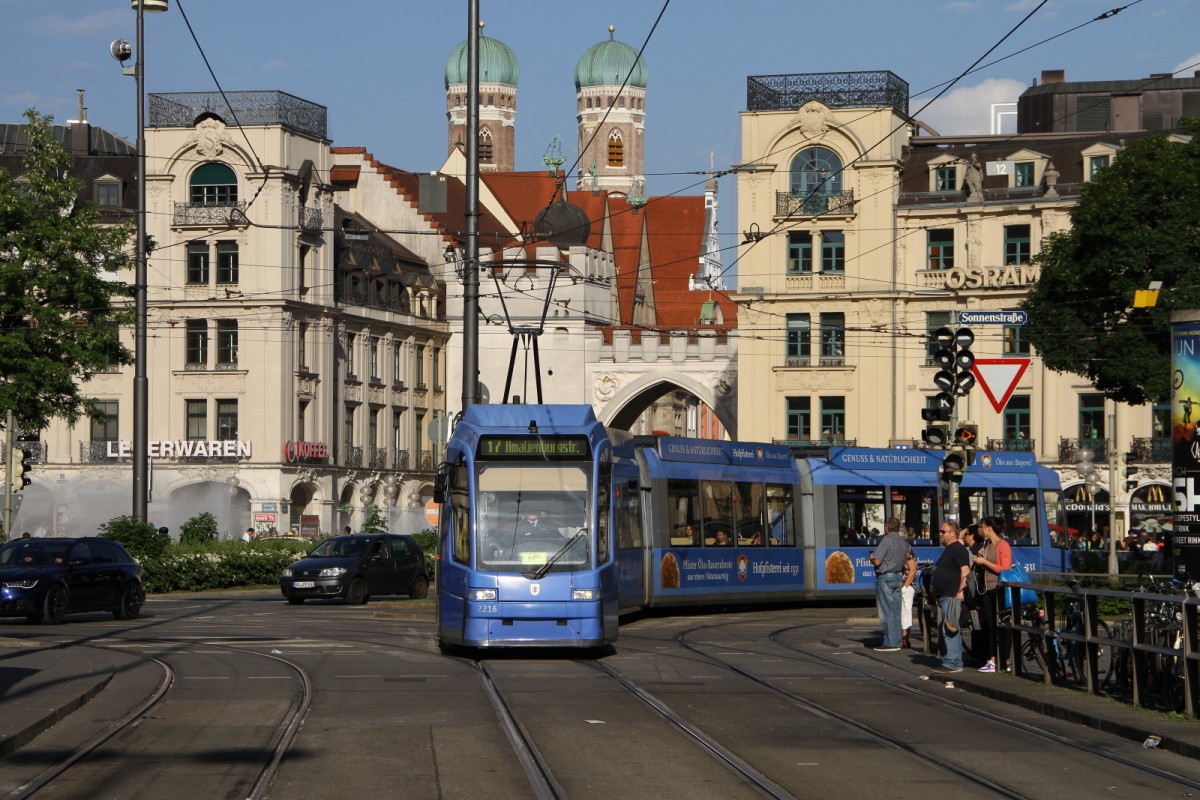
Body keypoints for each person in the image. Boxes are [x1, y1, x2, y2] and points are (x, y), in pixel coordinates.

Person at [970, 516, 1013, 673]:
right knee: (990, 624)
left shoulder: (1003, 545)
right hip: (986, 589)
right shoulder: (986, 545)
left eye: (982, 527)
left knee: (1001, 623)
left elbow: (1005, 568)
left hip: (998, 588)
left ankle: (1004, 659)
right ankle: (993, 657)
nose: (981, 531)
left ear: (989, 528)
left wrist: (985, 562)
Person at [931, 520, 971, 674]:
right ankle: (955, 661)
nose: (940, 534)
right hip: (945, 595)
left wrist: (960, 591)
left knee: (950, 629)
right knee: (949, 628)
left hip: (952, 595)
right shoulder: (950, 549)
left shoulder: (957, 549)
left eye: (943, 532)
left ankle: (952, 662)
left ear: (952, 534)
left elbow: (965, 571)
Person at [870, 517, 908, 652]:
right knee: (896, 610)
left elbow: (877, 561)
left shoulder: (886, 540)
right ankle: (897, 640)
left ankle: (890, 642)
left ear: (887, 527)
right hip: (898, 576)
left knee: (886, 611)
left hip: (885, 577)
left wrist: (871, 558)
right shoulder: (903, 542)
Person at [899, 541, 917, 648]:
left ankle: (905, 639)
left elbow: (913, 569)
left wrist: (905, 586)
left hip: (906, 585)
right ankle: (901, 638)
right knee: (900, 612)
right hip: (900, 585)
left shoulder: (906, 547)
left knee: (905, 612)